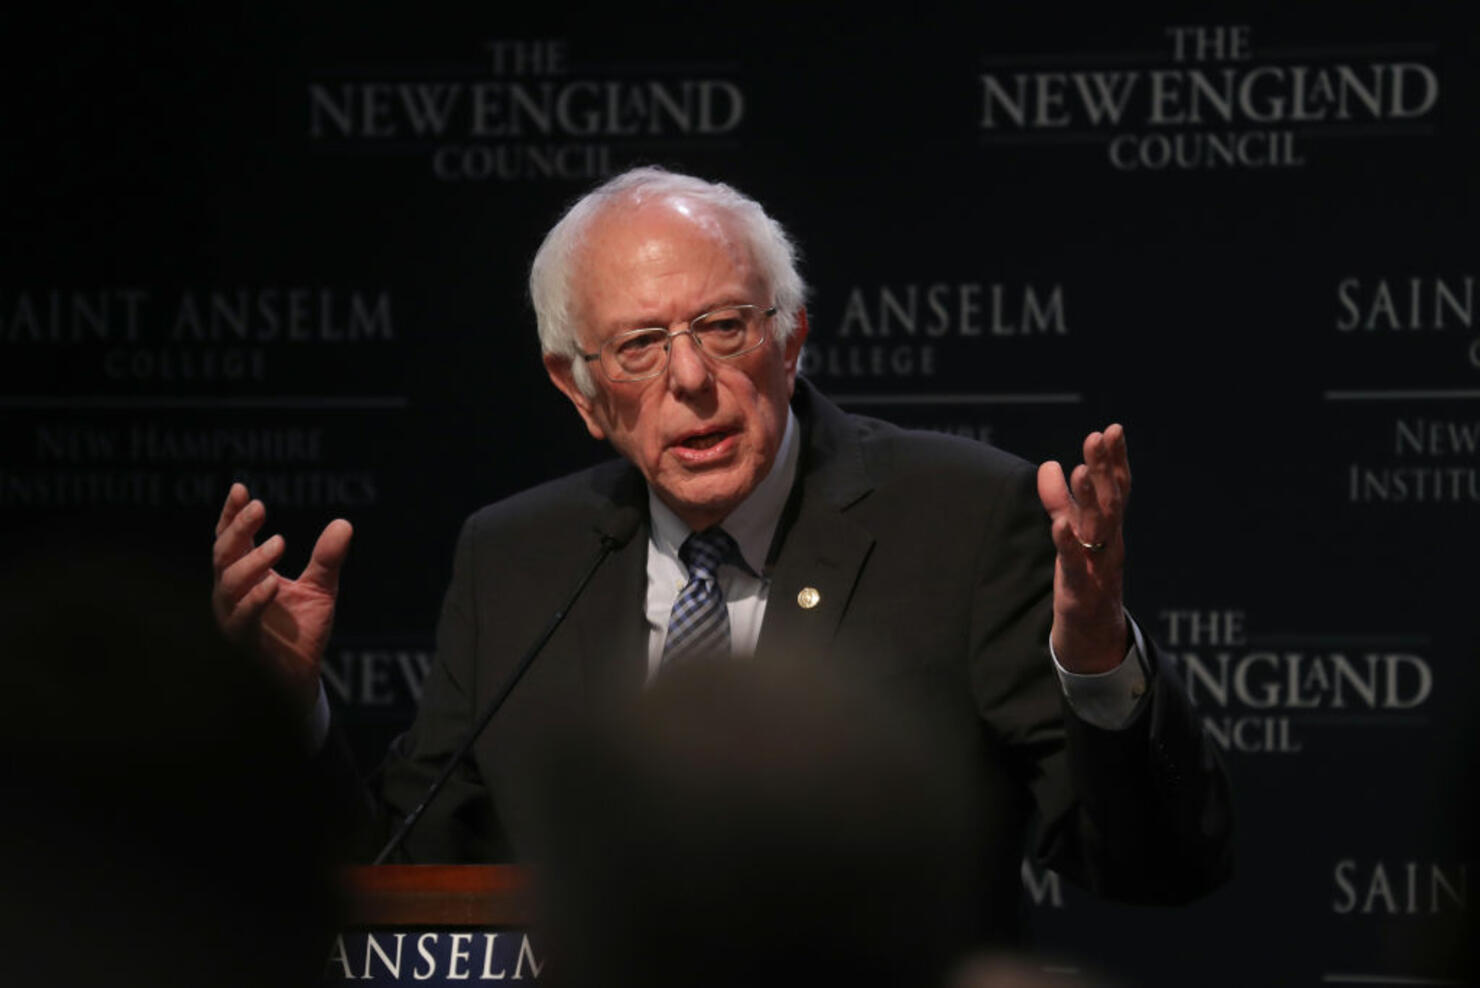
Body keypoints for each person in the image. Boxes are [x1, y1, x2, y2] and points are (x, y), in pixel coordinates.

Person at [211, 167, 1230, 941]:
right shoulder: (516, 556)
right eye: (641, 345)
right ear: (578, 389)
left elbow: (1156, 863)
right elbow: (405, 876)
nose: (690, 379)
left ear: (789, 342)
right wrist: (285, 710)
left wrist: (1096, 658)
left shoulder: (960, 519)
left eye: (722, 327)